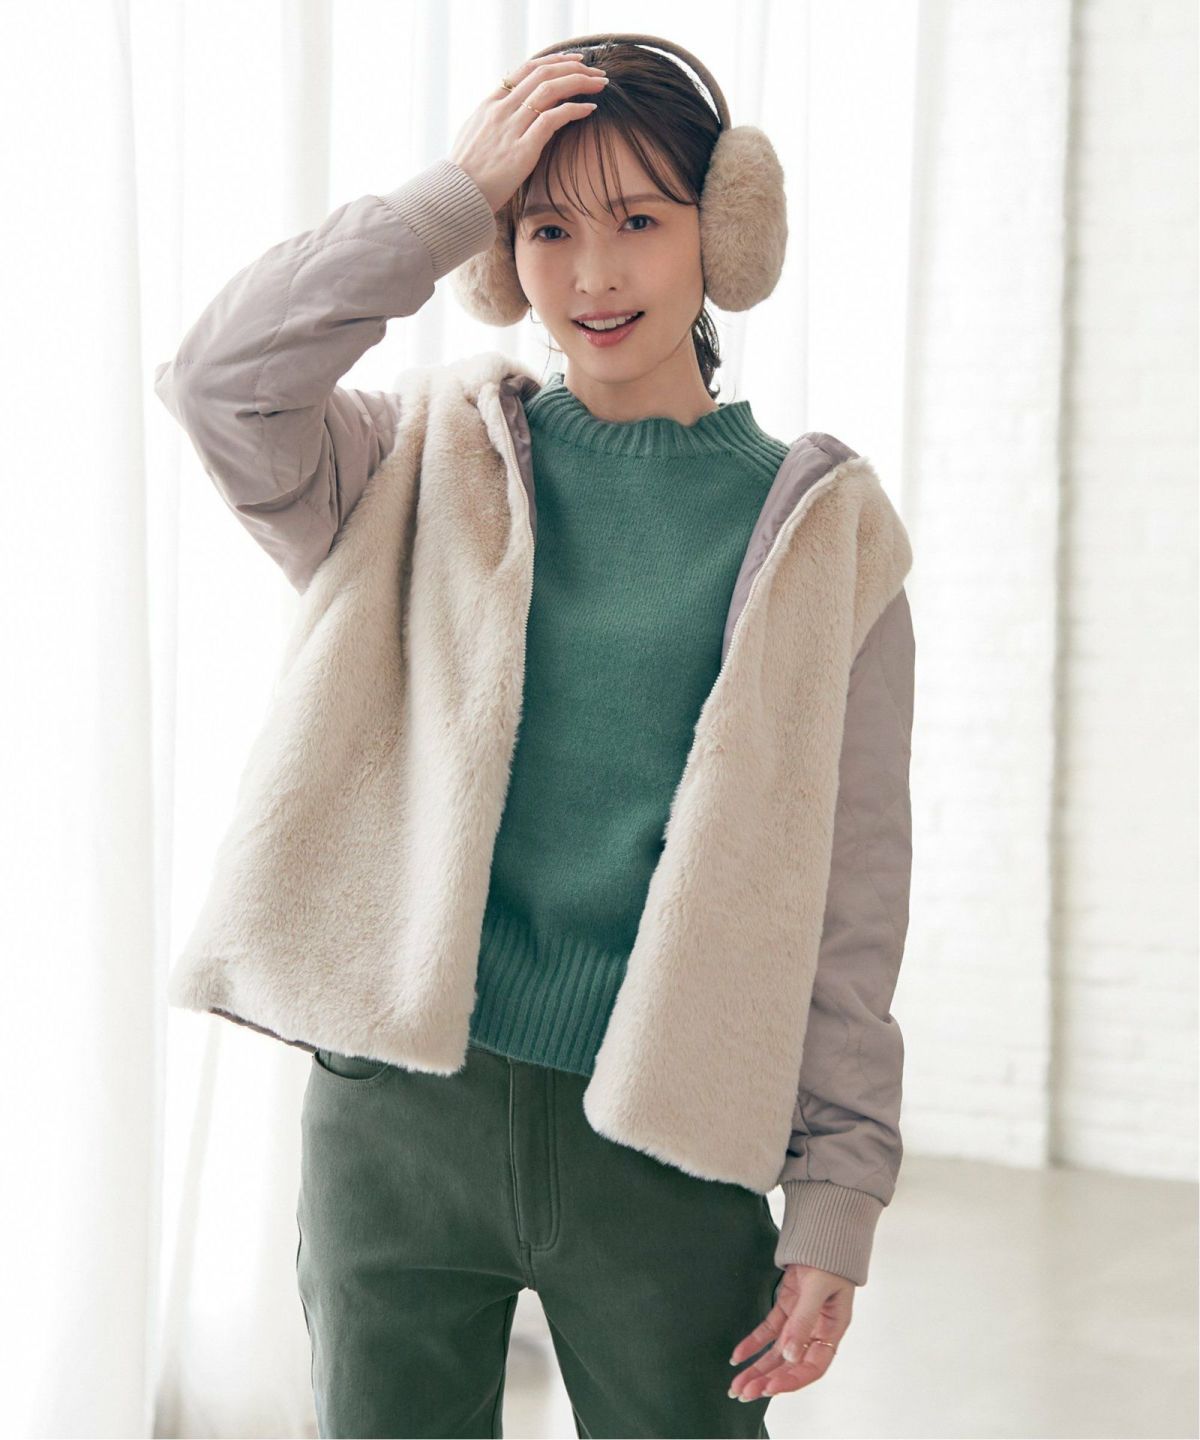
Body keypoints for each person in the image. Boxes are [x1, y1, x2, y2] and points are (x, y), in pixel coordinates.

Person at [154, 33, 915, 1440]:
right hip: (397, 1127)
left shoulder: (822, 537)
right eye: (546, 230)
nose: (593, 275)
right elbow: (218, 382)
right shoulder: (409, 463)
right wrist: (449, 198)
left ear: (725, 231)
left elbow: (852, 907)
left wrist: (838, 1197)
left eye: (639, 221)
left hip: (666, 1145)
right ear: (501, 257)